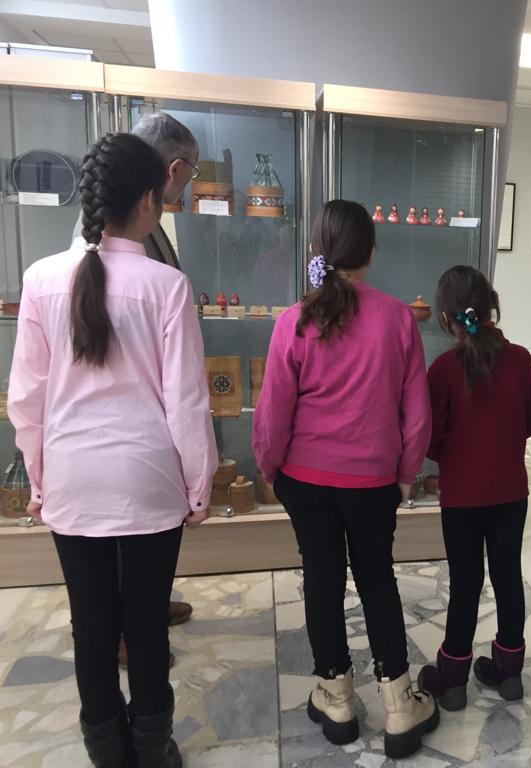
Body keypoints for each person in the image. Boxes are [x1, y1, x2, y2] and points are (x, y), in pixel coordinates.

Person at [9, 132, 217, 768]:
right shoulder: (167, 286)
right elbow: (186, 403)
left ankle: (106, 749)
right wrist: (199, 485)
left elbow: (27, 399)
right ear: (149, 201)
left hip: (71, 480)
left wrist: (38, 481)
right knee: (147, 624)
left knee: (92, 625)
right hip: (148, 479)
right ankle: (152, 747)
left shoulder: (41, 279)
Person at [252, 199, 437, 760]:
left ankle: (335, 698)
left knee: (322, 580)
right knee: (378, 580)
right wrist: (406, 475)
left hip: (304, 480)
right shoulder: (398, 318)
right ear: (370, 253)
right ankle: (399, 705)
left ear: (317, 250)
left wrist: (270, 469)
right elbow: (417, 411)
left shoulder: (294, 321)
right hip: (374, 482)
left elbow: (273, 412)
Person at [71, 112, 202, 655]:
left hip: (80, 453)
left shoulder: (117, 233)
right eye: (191, 173)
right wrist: (198, 482)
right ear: (170, 171)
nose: (188, 185)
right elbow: (184, 397)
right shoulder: (115, 254)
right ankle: (131, 623)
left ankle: (141, 604)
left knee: (106, 593)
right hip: (129, 438)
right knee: (122, 545)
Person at [417, 265, 531, 710]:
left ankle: (452, 678)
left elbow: (430, 438)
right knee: (508, 576)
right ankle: (509, 671)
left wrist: (453, 457)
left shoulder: (443, 369)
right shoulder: (521, 359)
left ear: (446, 317)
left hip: (462, 497)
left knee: (465, 583)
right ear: (492, 303)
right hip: (511, 492)